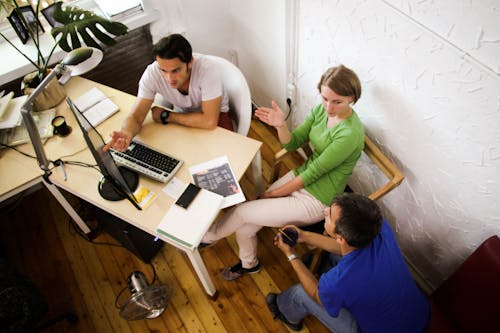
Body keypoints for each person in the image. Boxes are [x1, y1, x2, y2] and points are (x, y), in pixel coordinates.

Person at [201, 65, 365, 281]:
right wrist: (280, 125)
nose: (329, 107)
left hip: (317, 199)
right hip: (301, 176)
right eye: (325, 98)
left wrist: (272, 194)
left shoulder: (350, 134)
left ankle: (209, 236)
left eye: (337, 102)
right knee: (246, 225)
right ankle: (249, 264)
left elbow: (313, 173)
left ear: (351, 98)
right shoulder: (320, 111)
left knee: (242, 212)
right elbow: (292, 142)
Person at [266, 193, 430, 332]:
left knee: (300, 293)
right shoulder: (378, 227)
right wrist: (305, 236)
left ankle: (285, 312)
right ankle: (325, 266)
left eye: (329, 215)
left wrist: (290, 254)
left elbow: (317, 295)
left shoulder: (340, 281)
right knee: (334, 263)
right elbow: (344, 247)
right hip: (419, 313)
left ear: (340, 237)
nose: (325, 211)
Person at [104, 33, 232, 152]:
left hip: (216, 114)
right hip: (184, 113)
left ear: (190, 62)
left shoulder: (207, 70)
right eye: (163, 70)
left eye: (176, 70)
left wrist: (167, 116)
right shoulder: (152, 73)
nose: (169, 79)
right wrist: (126, 132)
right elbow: (136, 117)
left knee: (225, 153)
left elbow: (209, 121)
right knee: (179, 153)